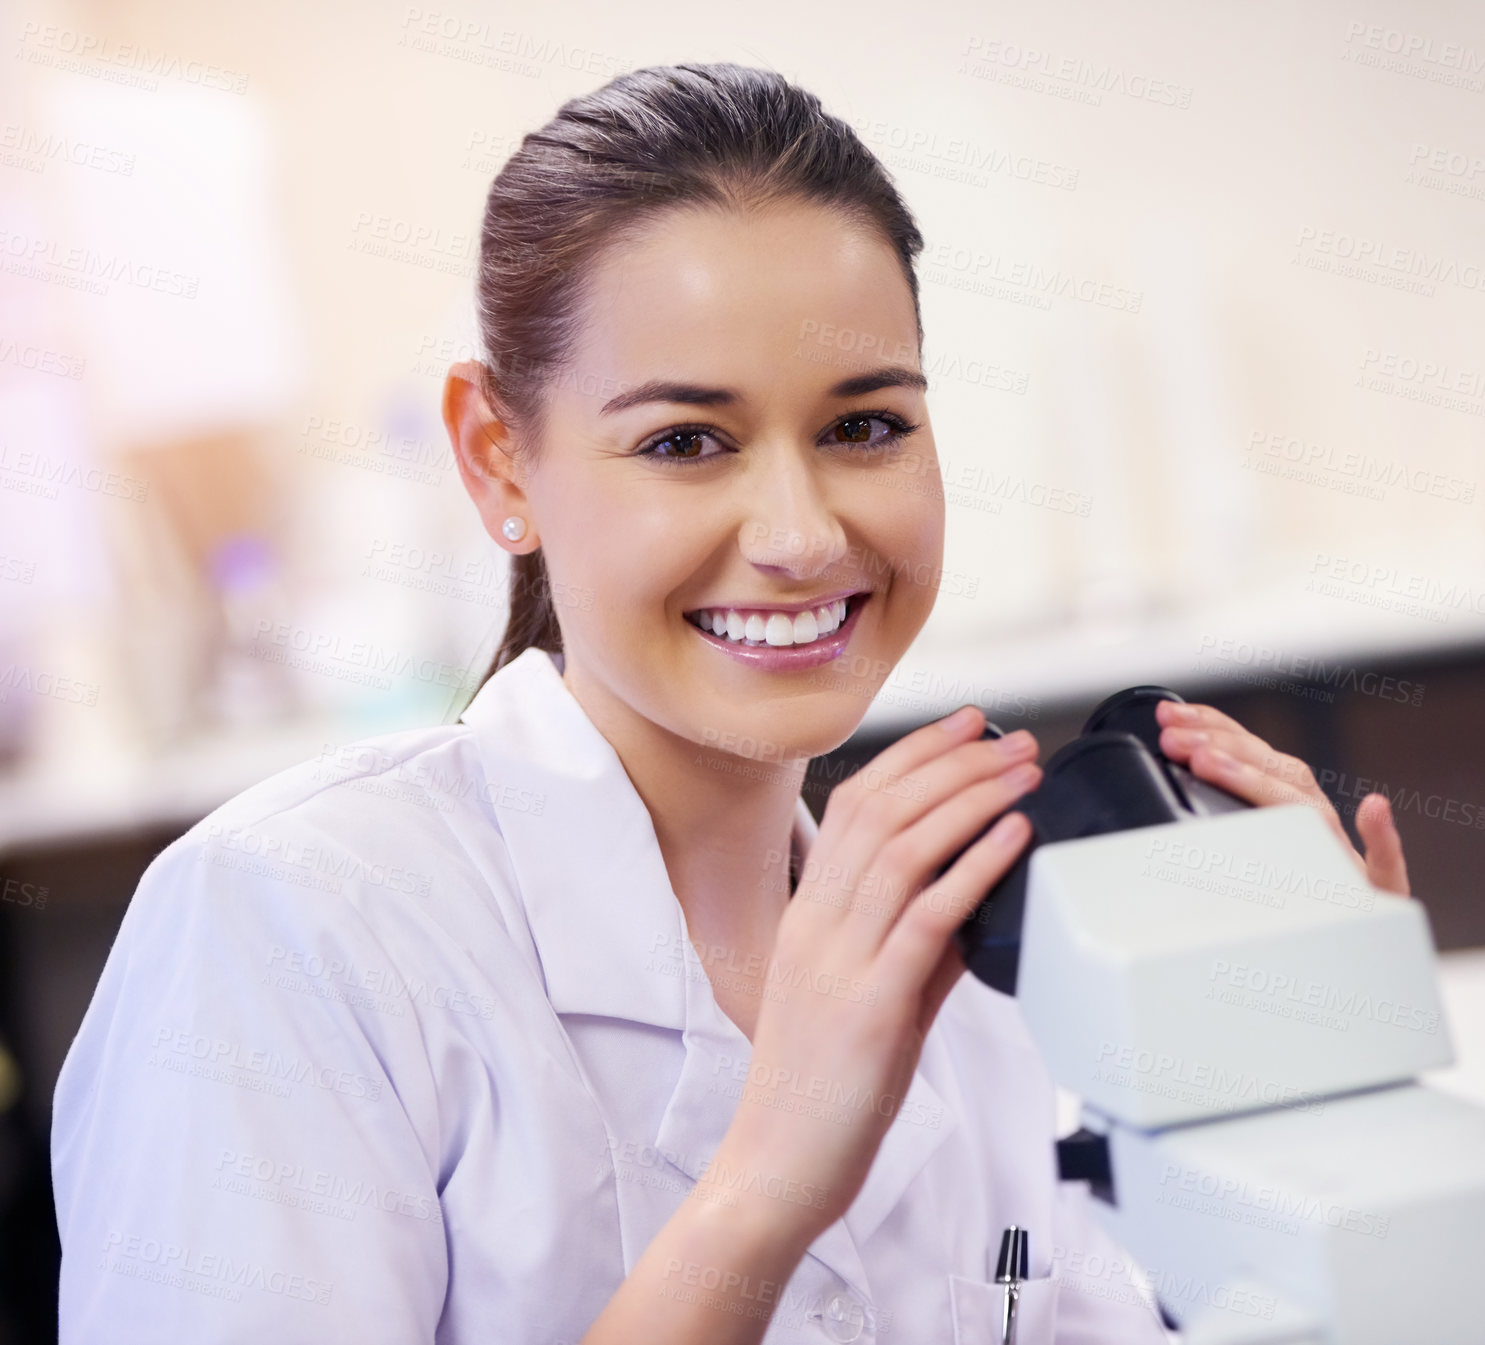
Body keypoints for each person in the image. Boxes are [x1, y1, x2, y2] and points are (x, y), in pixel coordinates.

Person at [51, 61, 1412, 1344]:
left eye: (862, 425)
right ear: (495, 456)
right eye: (685, 442)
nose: (802, 533)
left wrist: (1309, 1103)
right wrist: (765, 1187)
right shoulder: (286, 928)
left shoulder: (984, 968)